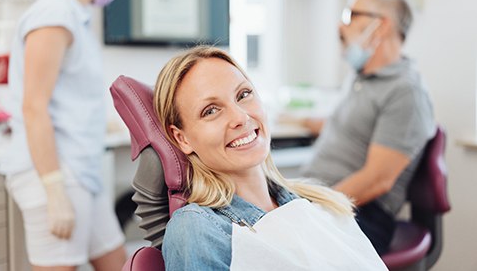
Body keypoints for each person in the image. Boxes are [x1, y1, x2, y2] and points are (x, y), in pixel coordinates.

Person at [153, 46, 388, 270]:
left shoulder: (319, 204)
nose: (241, 117)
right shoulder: (197, 229)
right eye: (211, 110)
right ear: (182, 138)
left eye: (243, 94)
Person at [0, 0, 127, 269]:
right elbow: (33, 107)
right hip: (54, 172)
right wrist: (54, 191)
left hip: (81, 169)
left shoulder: (74, 15)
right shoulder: (54, 15)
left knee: (118, 261)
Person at [296, 0, 436, 254]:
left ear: (381, 26)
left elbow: (376, 180)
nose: (340, 26)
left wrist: (312, 210)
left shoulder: (406, 91)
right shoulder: (362, 78)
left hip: (360, 213)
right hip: (324, 198)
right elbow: (352, 127)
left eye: (350, 15)